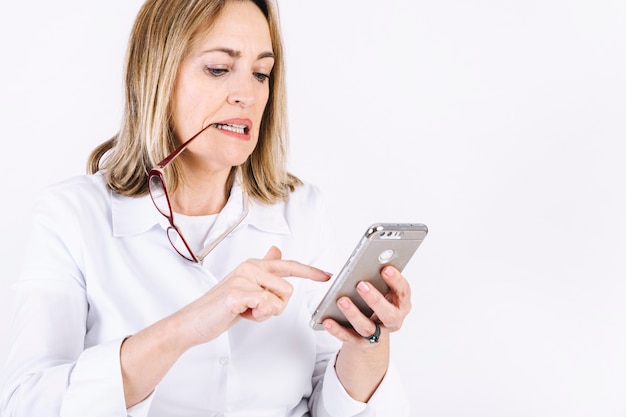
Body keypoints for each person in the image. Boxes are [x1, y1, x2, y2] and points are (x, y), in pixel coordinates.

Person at [0, 0, 412, 416]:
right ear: (156, 74)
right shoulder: (70, 215)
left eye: (261, 73)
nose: (247, 95)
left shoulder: (301, 210)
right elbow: (28, 404)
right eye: (218, 69)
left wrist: (367, 342)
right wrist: (191, 324)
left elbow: (332, 400)